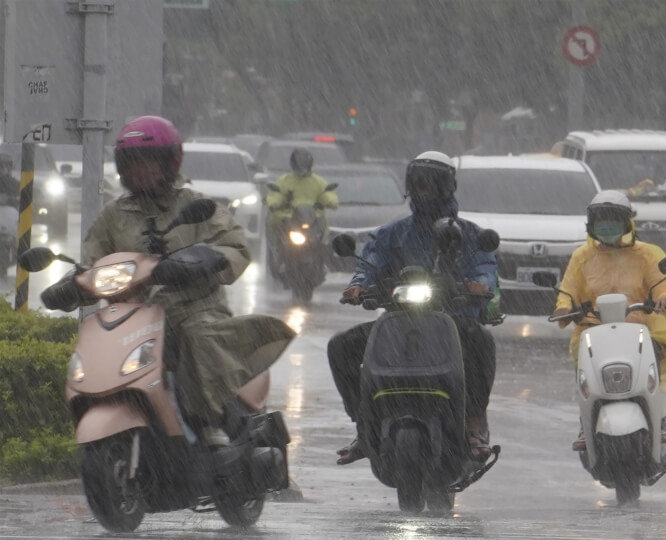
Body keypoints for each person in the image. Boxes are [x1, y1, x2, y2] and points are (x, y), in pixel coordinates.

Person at [79, 115, 293, 447]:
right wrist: (76, 280)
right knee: (92, 345)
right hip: (133, 315)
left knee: (197, 338)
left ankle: (211, 421)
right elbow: (93, 259)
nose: (141, 171)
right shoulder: (112, 215)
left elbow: (236, 246)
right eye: (133, 163)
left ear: (168, 164)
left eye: (149, 162)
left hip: (194, 310)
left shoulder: (194, 205)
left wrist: (207, 259)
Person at [327, 150, 497, 464]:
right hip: (398, 325)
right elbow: (370, 261)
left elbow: (485, 267)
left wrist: (480, 284)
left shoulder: (470, 234)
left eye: (431, 183)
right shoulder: (392, 234)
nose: (423, 190)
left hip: (452, 324)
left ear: (447, 185)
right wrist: (359, 285)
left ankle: (474, 423)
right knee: (340, 347)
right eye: (417, 183)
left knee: (482, 342)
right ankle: (365, 424)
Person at [552, 190, 666, 396]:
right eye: (601, 220)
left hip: (640, 333)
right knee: (589, 386)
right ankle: (587, 423)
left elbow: (661, 286)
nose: (607, 224)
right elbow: (568, 290)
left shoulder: (647, 255)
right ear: (591, 224)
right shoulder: (581, 257)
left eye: (613, 219)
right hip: (592, 334)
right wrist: (564, 309)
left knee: (649, 380)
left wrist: (665, 300)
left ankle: (658, 419)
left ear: (626, 223)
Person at [265, 148, 338, 277]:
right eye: (299, 165)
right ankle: (280, 257)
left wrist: (330, 202)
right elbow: (276, 194)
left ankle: (322, 262)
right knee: (277, 231)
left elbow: (326, 193)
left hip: (312, 219)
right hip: (289, 219)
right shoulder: (285, 180)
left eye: (304, 165)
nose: (302, 168)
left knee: (323, 237)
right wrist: (274, 203)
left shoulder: (317, 181)